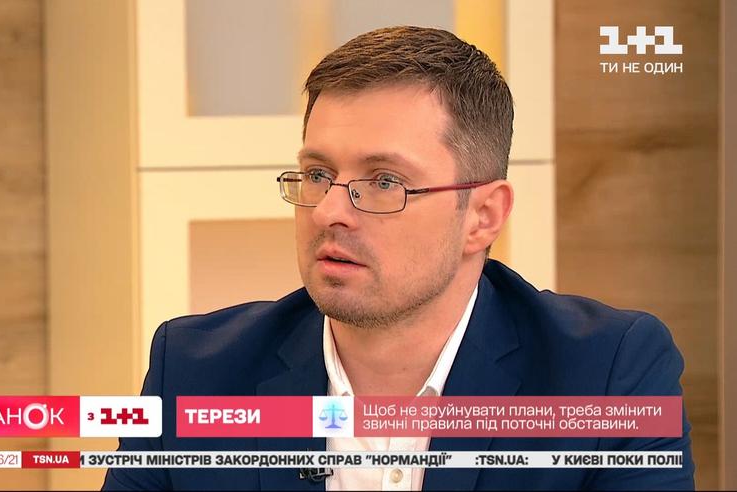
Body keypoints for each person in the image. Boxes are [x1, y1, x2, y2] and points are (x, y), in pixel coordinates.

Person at [103, 26, 694, 491]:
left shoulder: (607, 375)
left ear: (483, 216)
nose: (329, 211)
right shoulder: (195, 372)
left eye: (385, 181)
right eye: (318, 174)